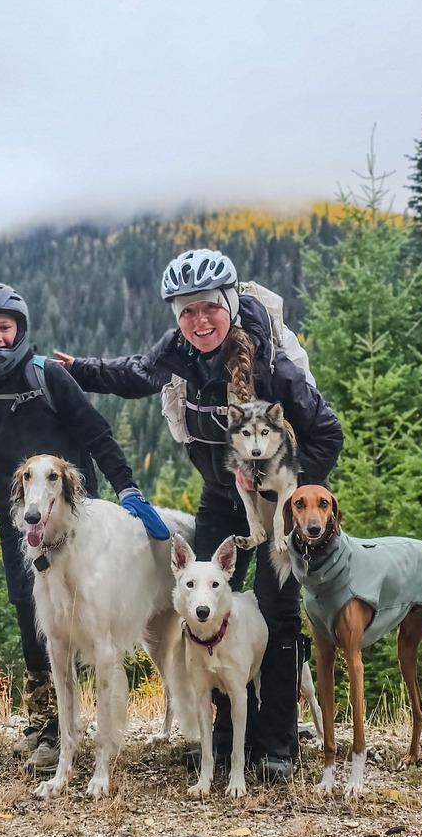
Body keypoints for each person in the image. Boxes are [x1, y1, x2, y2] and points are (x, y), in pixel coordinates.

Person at [53, 248, 343, 780]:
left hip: (278, 500)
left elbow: (328, 435)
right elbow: (138, 373)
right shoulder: (180, 350)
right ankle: (226, 739)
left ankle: (277, 743)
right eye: (185, 311)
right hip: (219, 492)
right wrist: (78, 371)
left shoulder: (273, 367)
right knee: (204, 602)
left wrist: (280, 481)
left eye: (208, 307)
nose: (198, 320)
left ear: (229, 302)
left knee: (277, 615)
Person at [0, 282, 168, 771]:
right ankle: (48, 724)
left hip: (77, 522)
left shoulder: (50, 378)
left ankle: (96, 721)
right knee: (31, 614)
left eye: (5, 328)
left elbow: (97, 433)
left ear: (20, 329)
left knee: (89, 611)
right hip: (20, 524)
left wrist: (128, 488)